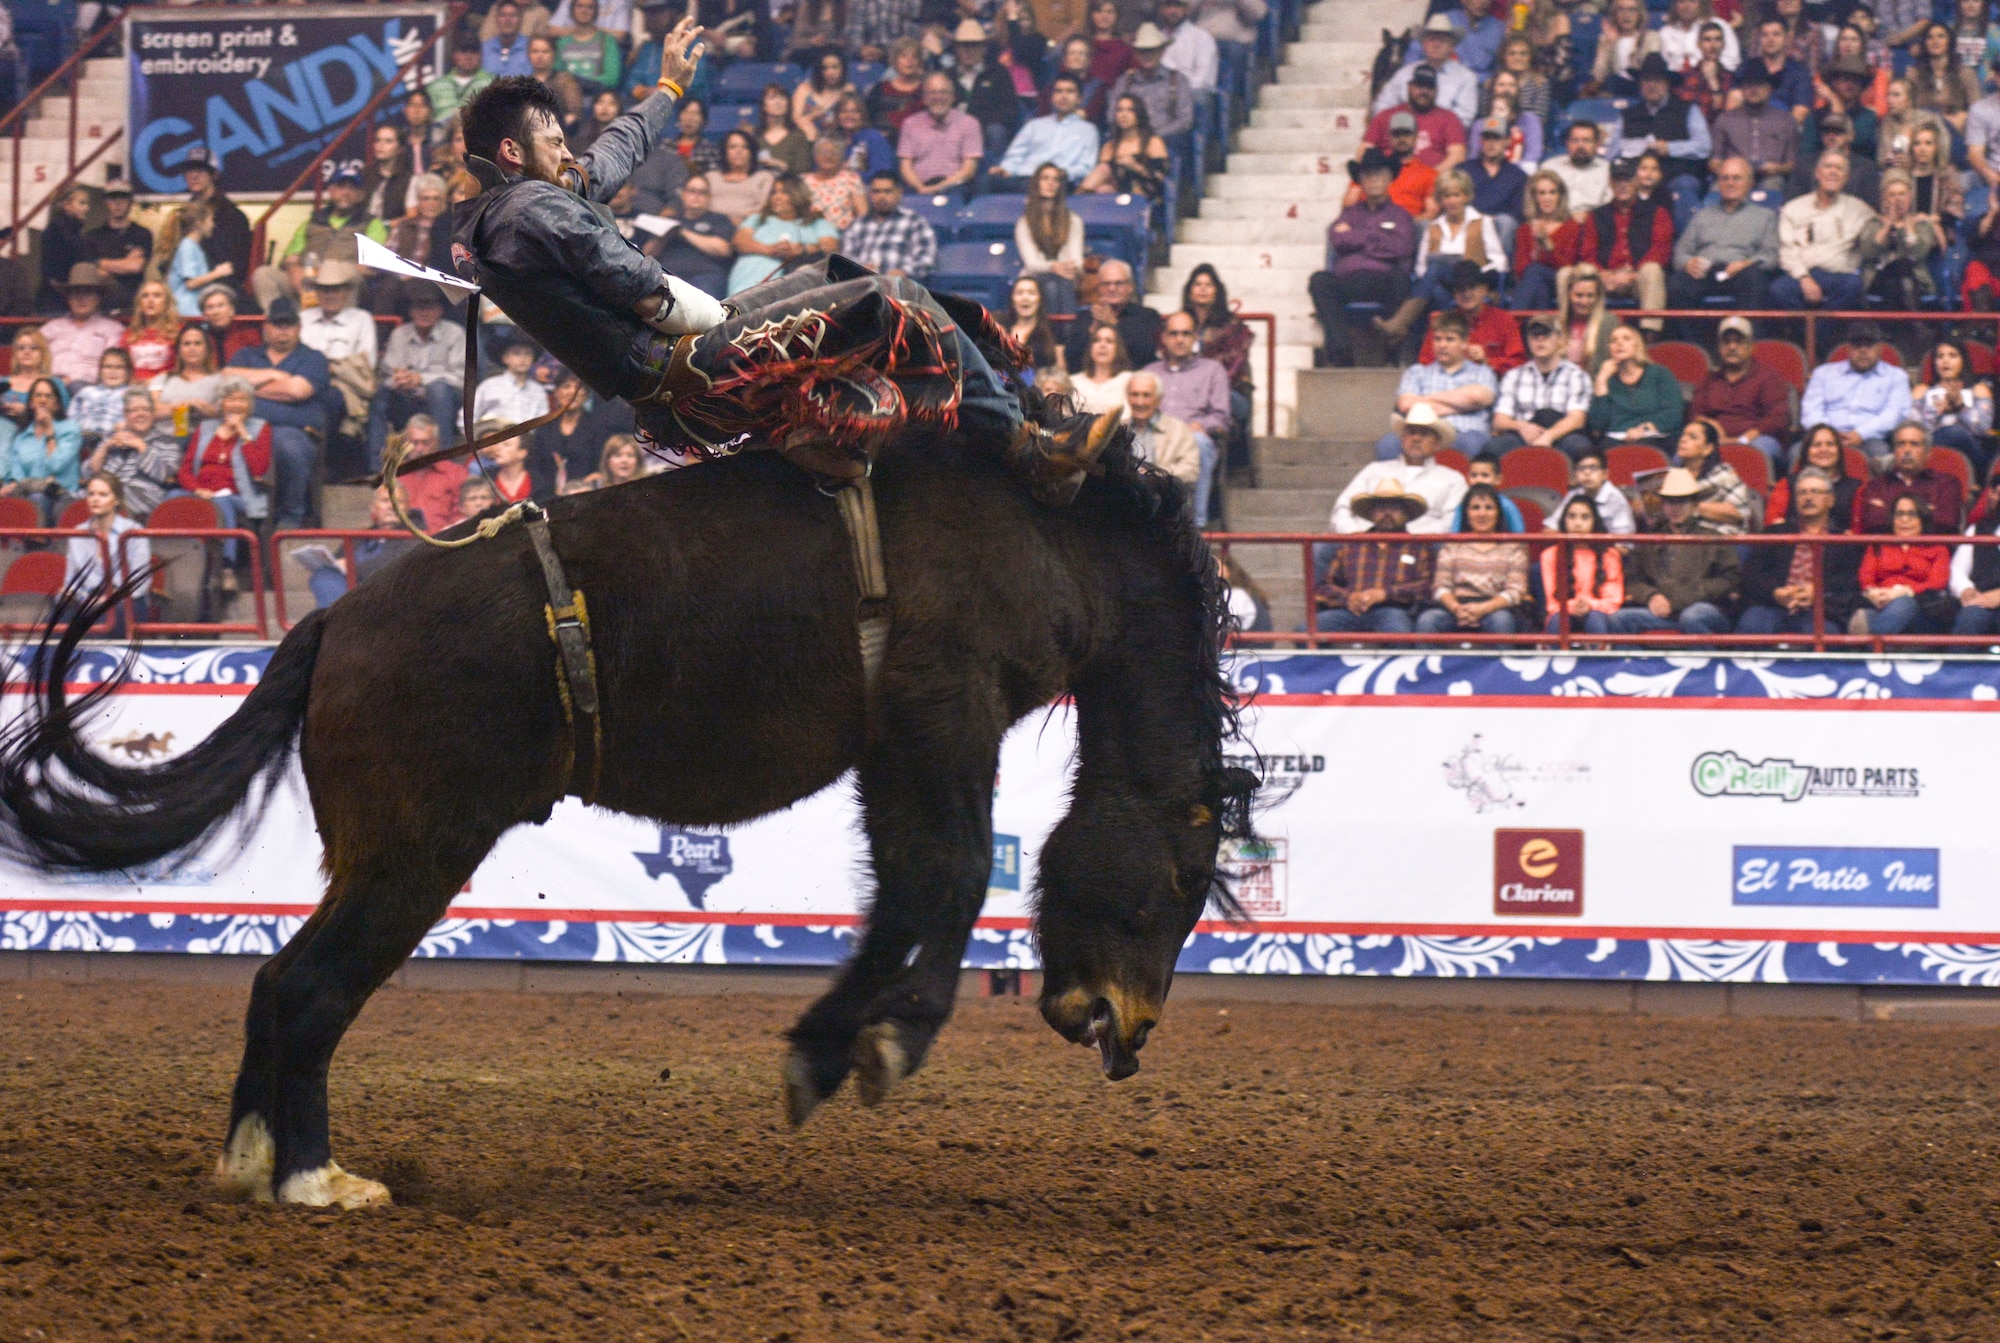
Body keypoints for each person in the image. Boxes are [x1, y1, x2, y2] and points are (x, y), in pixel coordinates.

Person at [224, 299, 329, 534]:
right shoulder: (246, 355)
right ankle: (245, 516)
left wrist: (249, 388)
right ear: (265, 327)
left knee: (286, 445)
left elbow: (297, 390)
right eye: (277, 324)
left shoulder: (313, 358)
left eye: (288, 324)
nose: (283, 329)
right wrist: (273, 375)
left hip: (294, 431)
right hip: (243, 429)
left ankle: (292, 515)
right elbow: (227, 379)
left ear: (299, 327)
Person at [1309, 147, 1418, 366]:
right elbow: (1337, 238)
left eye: (1379, 173)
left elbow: (1402, 247)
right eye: (1368, 174)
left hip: (1383, 279)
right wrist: (1379, 238)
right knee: (1319, 280)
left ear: (1389, 178)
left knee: (1401, 280)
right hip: (1348, 279)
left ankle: (1391, 349)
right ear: (1360, 180)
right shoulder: (1349, 212)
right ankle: (1342, 351)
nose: (1373, 179)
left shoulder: (1400, 215)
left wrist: (1358, 239)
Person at [1738, 466, 1862, 635]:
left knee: (1824, 632)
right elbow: (1752, 573)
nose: (1808, 498)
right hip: (1773, 606)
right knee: (1753, 624)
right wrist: (1775, 592)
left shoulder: (1844, 543)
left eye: (1815, 492)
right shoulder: (1775, 533)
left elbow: (1849, 585)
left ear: (1830, 500)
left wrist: (1818, 592)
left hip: (1820, 611)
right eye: (1802, 493)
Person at [1614, 467, 1738, 634]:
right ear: (1663, 505)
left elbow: (1730, 579)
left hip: (1703, 608)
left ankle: (1705, 659)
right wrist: (1651, 596)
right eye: (1669, 502)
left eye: (1681, 501)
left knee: (1693, 616)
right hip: (1663, 612)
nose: (1675, 508)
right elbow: (1632, 579)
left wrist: (1686, 596)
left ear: (1694, 504)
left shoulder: (1713, 539)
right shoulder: (1649, 541)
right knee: (1619, 619)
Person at [1309, 480, 1438, 635]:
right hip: (1349, 611)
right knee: (1304, 632)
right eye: (1381, 508)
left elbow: (1427, 587)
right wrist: (1349, 598)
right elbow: (1323, 585)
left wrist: (1385, 594)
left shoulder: (1419, 546)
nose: (1388, 513)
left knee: (1398, 633)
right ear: (1372, 513)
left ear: (1406, 514)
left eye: (1395, 508)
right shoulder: (1351, 543)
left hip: (1392, 611)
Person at [174, 377, 269, 580]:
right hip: (202, 492)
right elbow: (185, 469)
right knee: (172, 497)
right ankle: (172, 560)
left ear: (249, 404)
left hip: (238, 496)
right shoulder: (206, 428)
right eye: (230, 399)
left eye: (241, 400)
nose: (235, 404)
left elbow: (259, 469)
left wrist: (244, 434)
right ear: (222, 403)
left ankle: (227, 567)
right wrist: (197, 489)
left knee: (221, 502)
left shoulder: (260, 428)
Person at [366, 284, 465, 471]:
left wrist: (421, 379)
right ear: (411, 311)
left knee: (439, 390)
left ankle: (443, 462)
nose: (424, 312)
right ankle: (377, 466)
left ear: (439, 310)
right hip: (407, 399)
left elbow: (460, 378)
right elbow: (387, 372)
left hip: (446, 401)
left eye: (429, 307)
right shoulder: (400, 334)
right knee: (381, 392)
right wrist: (399, 380)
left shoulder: (455, 334)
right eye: (419, 307)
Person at [1331, 401, 1468, 534]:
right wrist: (1354, 533)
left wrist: (1416, 539)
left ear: (1437, 443)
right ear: (1402, 438)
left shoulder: (1452, 479)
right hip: (1367, 541)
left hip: (1423, 544)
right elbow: (1342, 507)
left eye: (1424, 434)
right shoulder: (1374, 470)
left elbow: (1452, 522)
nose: (1416, 439)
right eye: (1411, 432)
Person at [1376, 311, 1496, 460]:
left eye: (1450, 339)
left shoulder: (1481, 372)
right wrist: (1462, 404)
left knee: (1471, 444)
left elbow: (1477, 397)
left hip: (1466, 432)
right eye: (1438, 339)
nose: (1442, 345)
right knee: (1388, 444)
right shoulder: (1417, 372)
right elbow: (1406, 405)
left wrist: (1424, 400)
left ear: (1464, 342)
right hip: (1423, 431)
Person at [1145, 311, 1229, 520]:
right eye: (1173, 334)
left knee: (1198, 442)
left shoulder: (1212, 370)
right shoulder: (1150, 372)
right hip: (1155, 433)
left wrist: (1199, 425)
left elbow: (1221, 416)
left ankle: (1195, 523)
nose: (1179, 339)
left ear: (1195, 337)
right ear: (1164, 338)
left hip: (1192, 434)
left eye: (1185, 333)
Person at [1668, 158, 1779, 310]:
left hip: (1741, 273)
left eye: (1736, 178)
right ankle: (1692, 335)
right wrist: (1688, 263)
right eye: (1725, 178)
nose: (1730, 183)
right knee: (1677, 283)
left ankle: (1747, 333)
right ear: (1718, 184)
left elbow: (1770, 257)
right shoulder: (1702, 215)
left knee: (1754, 279)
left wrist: (1745, 264)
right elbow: (1680, 253)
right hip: (1704, 273)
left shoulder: (1765, 216)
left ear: (1750, 184)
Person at [1417, 482, 1527, 635]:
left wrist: (1482, 609)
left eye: (1489, 508)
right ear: (1466, 513)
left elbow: (1515, 592)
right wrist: (1457, 608)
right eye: (1475, 508)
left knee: (1502, 622)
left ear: (1498, 513)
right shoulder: (1452, 546)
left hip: (1496, 608)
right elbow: (1441, 586)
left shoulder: (1513, 548)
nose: (1482, 514)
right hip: (1456, 607)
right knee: (1428, 621)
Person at [1569, 159, 1670, 324]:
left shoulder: (1657, 212)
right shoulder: (1596, 215)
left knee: (1652, 270)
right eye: (1617, 180)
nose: (1622, 185)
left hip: (1638, 278)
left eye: (1627, 180)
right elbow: (1588, 252)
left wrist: (1632, 275)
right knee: (1579, 271)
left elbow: (1661, 251)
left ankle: (1649, 336)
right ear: (1610, 182)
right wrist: (1603, 274)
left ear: (1637, 180)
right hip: (1604, 279)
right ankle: (1573, 334)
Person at [1801, 323, 1913, 472]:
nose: (1863, 350)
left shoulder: (1896, 376)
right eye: (1857, 345)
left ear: (1880, 348)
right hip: (1824, 436)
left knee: (1881, 453)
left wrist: (1860, 433)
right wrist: (1829, 436)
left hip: (1871, 439)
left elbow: (1893, 415)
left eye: (1869, 345)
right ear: (1848, 348)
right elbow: (1810, 411)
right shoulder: (1823, 374)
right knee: (1796, 452)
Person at [1772, 151, 1874, 311]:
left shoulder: (1860, 210)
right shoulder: (1793, 208)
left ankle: (1812, 332)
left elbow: (1878, 230)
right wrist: (1804, 277)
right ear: (1817, 173)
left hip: (1840, 276)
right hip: (1802, 274)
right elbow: (1787, 251)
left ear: (1846, 178)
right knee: (1778, 290)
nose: (1833, 172)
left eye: (1839, 168)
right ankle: (1819, 332)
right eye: (1828, 167)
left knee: (1855, 286)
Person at [1685, 317, 1790, 471]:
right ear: (1719, 347)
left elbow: (1777, 419)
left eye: (1739, 342)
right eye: (1726, 342)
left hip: (1757, 438)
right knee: (1684, 451)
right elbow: (1695, 413)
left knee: (1759, 448)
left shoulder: (1768, 377)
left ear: (1751, 347)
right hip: (1715, 439)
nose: (1732, 347)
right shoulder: (1710, 379)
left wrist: (1742, 439)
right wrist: (1711, 425)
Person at [1487, 317, 1592, 459]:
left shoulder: (1576, 375)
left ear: (1560, 339)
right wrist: (1522, 427)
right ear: (1528, 341)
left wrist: (1549, 436)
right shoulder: (1513, 376)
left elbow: (1577, 418)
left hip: (1562, 434)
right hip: (1523, 432)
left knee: (1581, 448)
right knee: (1494, 448)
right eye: (1535, 335)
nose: (1540, 339)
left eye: (1546, 334)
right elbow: (1499, 420)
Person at [1409, 171, 1505, 324]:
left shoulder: (1482, 222)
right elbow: (1421, 268)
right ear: (1440, 199)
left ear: (1466, 196)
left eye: (1456, 195)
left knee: (1436, 266)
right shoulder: (1433, 227)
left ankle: (1402, 323)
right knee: (1435, 281)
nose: (1451, 201)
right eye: (1447, 196)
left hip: (1471, 283)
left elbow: (1499, 262)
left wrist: (1480, 277)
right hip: (1444, 286)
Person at [1617, 53, 1712, 201]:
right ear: (1640, 84)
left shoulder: (1688, 109)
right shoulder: (1627, 114)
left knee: (1686, 184)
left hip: (1675, 178)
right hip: (1635, 180)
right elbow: (1612, 152)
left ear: (1667, 84)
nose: (1651, 85)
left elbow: (1704, 147)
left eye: (1657, 80)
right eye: (1647, 80)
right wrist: (1636, 146)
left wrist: (1670, 148)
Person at [726, 174, 840, 296]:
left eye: (783, 192)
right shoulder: (757, 219)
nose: (776, 197)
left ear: (798, 194)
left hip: (794, 283)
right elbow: (739, 241)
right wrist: (771, 250)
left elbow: (830, 247)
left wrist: (801, 250)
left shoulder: (816, 223)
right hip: (748, 278)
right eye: (773, 193)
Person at [1859, 493, 1955, 634]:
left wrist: (1903, 592)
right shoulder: (1878, 545)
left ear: (1922, 518)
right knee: (1868, 613)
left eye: (1912, 514)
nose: (1905, 520)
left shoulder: (1938, 548)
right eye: (1899, 514)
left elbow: (1937, 582)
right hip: (1880, 601)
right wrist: (1875, 593)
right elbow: (1866, 577)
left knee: (1903, 603)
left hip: (1921, 605)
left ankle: (1873, 645)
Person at [1182, 264, 1253, 442]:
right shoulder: (1180, 325)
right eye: (1198, 284)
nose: (1203, 289)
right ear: (1190, 291)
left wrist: (1203, 387)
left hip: (1227, 393)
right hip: (1185, 391)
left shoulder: (1232, 327)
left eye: (1209, 285)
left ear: (1217, 292)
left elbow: (1235, 371)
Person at [86, 388, 181, 522]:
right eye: (134, 410)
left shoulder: (166, 441)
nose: (140, 414)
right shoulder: (112, 438)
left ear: (153, 413)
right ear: (125, 414)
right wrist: (105, 447)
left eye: (146, 409)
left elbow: (165, 475)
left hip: (142, 496)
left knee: (108, 503)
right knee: (68, 504)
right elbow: (90, 473)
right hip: (105, 493)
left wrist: (141, 446)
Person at [1587, 323, 1682, 453]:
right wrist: (1601, 381)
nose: (1619, 343)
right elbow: (1597, 425)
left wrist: (1645, 429)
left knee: (1645, 448)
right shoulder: (1607, 380)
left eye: (1626, 339)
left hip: (1653, 437)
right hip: (1615, 440)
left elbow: (1673, 412)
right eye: (1613, 341)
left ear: (1638, 345)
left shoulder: (1659, 373)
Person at [64, 472, 148, 615]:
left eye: (103, 495)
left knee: (98, 618)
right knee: (53, 622)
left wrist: (104, 600)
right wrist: (79, 597)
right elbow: (71, 583)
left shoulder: (134, 531)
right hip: (87, 600)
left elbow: (139, 584)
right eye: (91, 494)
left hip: (124, 600)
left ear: (116, 500)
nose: (95, 499)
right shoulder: (77, 534)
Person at [1062, 258, 1161, 379]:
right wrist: (1093, 330)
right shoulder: (1084, 317)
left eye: (1118, 283)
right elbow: (1072, 359)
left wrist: (1113, 325)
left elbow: (1145, 356)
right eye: (1106, 284)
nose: (1112, 289)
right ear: (1099, 288)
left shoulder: (1147, 316)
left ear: (1130, 287)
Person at [1857, 422, 1965, 533]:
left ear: (1928, 453)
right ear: (1894, 452)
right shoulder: (1877, 485)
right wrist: (1926, 510)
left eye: (1914, 444)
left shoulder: (1946, 484)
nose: (1907, 450)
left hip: (1930, 549)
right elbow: (1873, 523)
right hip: (1888, 548)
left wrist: (1888, 510)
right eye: (1901, 444)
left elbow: (1946, 523)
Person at [993, 75, 1100, 187]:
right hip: (1025, 178)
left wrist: (1065, 173)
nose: (1063, 96)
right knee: (990, 180)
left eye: (1070, 91)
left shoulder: (1088, 130)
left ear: (1080, 99)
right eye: (1059, 91)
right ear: (1052, 97)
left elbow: (1086, 166)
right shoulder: (1035, 125)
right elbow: (1015, 155)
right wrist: (1005, 169)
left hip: (1059, 182)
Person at [1375, 14, 1479, 127]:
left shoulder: (1465, 77)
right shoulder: (1405, 73)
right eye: (1432, 39)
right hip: (1403, 134)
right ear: (1423, 44)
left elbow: (1464, 118)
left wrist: (1430, 130)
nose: (1437, 44)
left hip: (1443, 139)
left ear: (1452, 46)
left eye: (1443, 40)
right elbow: (1382, 105)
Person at [1542, 493, 1625, 633]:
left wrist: (1589, 605)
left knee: (1595, 618)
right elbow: (1552, 604)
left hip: (1599, 613)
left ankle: (1598, 655)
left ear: (1594, 522)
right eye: (1572, 516)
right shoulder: (1550, 555)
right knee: (1558, 620)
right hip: (1563, 612)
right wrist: (1573, 606)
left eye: (1585, 517)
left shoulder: (1609, 554)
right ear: (1564, 521)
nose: (1577, 523)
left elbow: (1613, 600)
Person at [1858, 169, 1941, 309]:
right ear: (1884, 198)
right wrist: (1887, 226)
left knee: (1903, 269)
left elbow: (1918, 253)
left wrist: (1908, 225)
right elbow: (1868, 252)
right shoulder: (1873, 223)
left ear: (1910, 197)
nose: (1898, 199)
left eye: (1902, 194)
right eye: (1892, 194)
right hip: (1878, 282)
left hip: (1916, 283)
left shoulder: (1920, 224)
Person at [2, 379, 81, 524]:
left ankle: (36, 541)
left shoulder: (70, 429)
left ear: (57, 404)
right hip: (26, 492)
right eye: (38, 396)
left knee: (36, 499)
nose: (43, 400)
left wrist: (50, 431)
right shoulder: (22, 436)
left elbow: (55, 465)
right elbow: (16, 474)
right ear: (31, 402)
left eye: (48, 396)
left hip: (61, 495)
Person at [1709, 65, 1797, 193]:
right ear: (1742, 90)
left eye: (1759, 85)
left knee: (1772, 187)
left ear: (1769, 88)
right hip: (1733, 177)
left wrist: (1777, 168)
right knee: (1715, 194)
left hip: (1771, 177)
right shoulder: (1725, 119)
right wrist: (1730, 172)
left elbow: (1792, 164)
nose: (1754, 89)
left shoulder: (1786, 120)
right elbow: (1714, 161)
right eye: (1749, 85)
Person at [1364, 65, 1467, 174]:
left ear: (1436, 90)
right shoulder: (1385, 116)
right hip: (1389, 182)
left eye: (1429, 87)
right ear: (1409, 87)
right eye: (1419, 86)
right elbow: (1365, 152)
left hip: (1433, 183)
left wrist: (1427, 179)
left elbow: (1457, 156)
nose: (1424, 91)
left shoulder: (1449, 118)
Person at [897, 72, 984, 200]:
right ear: (925, 98)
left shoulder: (969, 124)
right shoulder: (910, 124)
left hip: (954, 188)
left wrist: (936, 188)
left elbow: (968, 171)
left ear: (952, 97)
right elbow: (905, 166)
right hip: (917, 187)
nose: (938, 97)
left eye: (944, 92)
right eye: (932, 93)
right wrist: (920, 188)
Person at [1913, 338, 1993, 474]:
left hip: (1971, 453)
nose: (1945, 361)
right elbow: (1914, 430)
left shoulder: (1978, 390)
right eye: (1940, 356)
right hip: (1931, 448)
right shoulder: (1922, 390)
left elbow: (1982, 428)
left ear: (1963, 360)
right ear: (1934, 362)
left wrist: (1960, 406)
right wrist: (1937, 412)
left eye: (1952, 355)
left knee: (1955, 432)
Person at [841, 171, 937, 278]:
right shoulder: (857, 225)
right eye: (876, 192)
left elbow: (927, 259)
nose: (881, 196)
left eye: (887, 191)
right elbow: (846, 257)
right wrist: (860, 269)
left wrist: (905, 272)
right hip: (864, 286)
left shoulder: (915, 222)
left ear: (899, 193)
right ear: (870, 194)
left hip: (900, 288)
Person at [1016, 164, 1084, 314]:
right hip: (1034, 276)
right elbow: (1032, 263)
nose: (1050, 183)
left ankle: (1064, 332)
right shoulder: (1024, 222)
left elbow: (1077, 259)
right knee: (1051, 286)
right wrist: (1053, 267)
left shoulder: (1073, 220)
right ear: (1036, 184)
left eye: (1055, 180)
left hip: (1065, 277)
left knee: (1062, 283)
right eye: (1045, 178)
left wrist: (1068, 267)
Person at [1110, 23, 1196, 143]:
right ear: (1135, 53)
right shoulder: (1125, 82)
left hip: (1165, 142)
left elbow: (1185, 120)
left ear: (1162, 51)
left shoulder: (1178, 80)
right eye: (1143, 51)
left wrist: (1154, 136)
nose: (1147, 55)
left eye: (1152, 50)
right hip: (1128, 141)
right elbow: (1111, 116)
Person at [40, 264, 124, 386]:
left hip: (89, 388)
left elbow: (112, 366)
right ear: (68, 298)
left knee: (77, 386)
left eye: (88, 293)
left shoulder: (112, 330)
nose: (81, 299)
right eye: (76, 293)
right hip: (50, 388)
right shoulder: (50, 328)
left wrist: (72, 380)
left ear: (98, 298)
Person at [657, 175, 738, 299]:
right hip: (668, 276)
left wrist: (682, 232)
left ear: (709, 197)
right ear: (683, 194)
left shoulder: (720, 220)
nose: (697, 196)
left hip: (706, 277)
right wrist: (659, 236)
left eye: (702, 192)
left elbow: (723, 249)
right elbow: (647, 254)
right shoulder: (669, 220)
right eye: (692, 191)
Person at [1670, 417, 1756, 534]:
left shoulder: (1724, 475)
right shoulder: (1671, 475)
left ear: (1707, 448)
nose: (1683, 440)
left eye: (1693, 437)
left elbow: (1740, 513)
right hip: (1680, 538)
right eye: (1683, 435)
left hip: (1721, 540)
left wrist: (1691, 508)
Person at [1767, 423, 1862, 527]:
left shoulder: (1856, 488)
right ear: (1806, 452)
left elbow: (1858, 531)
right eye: (1817, 445)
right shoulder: (1787, 484)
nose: (1824, 449)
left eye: (1830, 444)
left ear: (1839, 450)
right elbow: (1773, 524)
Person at [1081, 93, 1171, 199]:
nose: (1124, 115)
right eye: (1120, 110)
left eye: (1130, 110)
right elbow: (1104, 178)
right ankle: (1077, 201)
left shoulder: (1152, 142)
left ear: (1139, 114)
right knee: (1102, 186)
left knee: (1104, 171)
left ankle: (1073, 204)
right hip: (1116, 194)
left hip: (1144, 193)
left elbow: (1161, 178)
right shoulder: (1109, 147)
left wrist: (1135, 166)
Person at [1510, 171, 1578, 310]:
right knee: (1539, 284)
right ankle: (1542, 328)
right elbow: (1520, 271)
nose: (1547, 198)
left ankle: (1513, 322)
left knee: (1536, 271)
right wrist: (1536, 251)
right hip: (1535, 283)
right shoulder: (1525, 229)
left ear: (1560, 196)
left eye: (1552, 192)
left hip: (1564, 284)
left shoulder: (1572, 227)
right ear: (1534, 197)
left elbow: (1568, 266)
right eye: (1541, 193)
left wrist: (1547, 247)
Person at [392, 415, 469, 534]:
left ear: (437, 443)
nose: (419, 448)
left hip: (441, 541)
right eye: (414, 443)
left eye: (426, 443)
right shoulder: (393, 474)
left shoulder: (455, 473)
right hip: (399, 540)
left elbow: (462, 515)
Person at [1121, 370, 1199, 487]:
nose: (1140, 402)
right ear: (1127, 397)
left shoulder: (1178, 429)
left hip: (1164, 496)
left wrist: (1154, 474)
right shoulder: (1119, 428)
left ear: (1159, 399)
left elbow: (1191, 470)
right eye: (1134, 394)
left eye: (1146, 395)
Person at [1949, 463, 2000, 636]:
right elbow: (1957, 569)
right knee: (1970, 617)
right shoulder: (1977, 529)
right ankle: (1956, 664)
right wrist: (1966, 590)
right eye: (1995, 491)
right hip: (1980, 600)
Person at [83, 183, 151, 313]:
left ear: (130, 202)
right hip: (101, 307)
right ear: (106, 202)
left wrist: (101, 263)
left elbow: (136, 267)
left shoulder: (142, 233)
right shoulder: (93, 236)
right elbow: (93, 273)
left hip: (133, 306)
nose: (117, 203)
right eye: (112, 199)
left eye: (122, 198)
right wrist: (125, 263)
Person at [149, 326, 224, 432]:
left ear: (207, 349)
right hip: (163, 440)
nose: (192, 348)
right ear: (179, 350)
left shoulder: (220, 380)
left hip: (201, 440)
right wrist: (185, 407)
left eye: (197, 343)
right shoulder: (163, 379)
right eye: (186, 344)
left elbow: (225, 413)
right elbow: (150, 411)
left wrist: (205, 409)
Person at [165, 202, 233, 319]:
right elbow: (191, 283)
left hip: (193, 309)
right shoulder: (187, 246)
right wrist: (218, 273)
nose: (213, 225)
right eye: (210, 220)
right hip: (186, 311)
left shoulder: (195, 247)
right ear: (199, 223)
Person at [1548, 447, 1637, 534]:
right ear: (1575, 475)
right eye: (1581, 468)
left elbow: (1623, 545)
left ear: (1605, 474)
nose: (1587, 473)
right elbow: (1550, 530)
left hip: (1605, 547)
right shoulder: (1574, 495)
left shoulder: (1616, 500)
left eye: (1593, 468)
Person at [474, 334, 553, 430]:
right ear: (505, 358)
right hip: (495, 439)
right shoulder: (489, 386)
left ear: (533, 359)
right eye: (517, 353)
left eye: (528, 354)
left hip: (526, 441)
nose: (523, 359)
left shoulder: (538, 391)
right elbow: (468, 417)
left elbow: (542, 424)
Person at [1467, 117, 1528, 242]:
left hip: (1499, 229)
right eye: (1487, 138)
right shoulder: (1464, 170)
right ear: (1481, 141)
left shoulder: (1518, 176)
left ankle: (1501, 261)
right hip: (1468, 225)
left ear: (1507, 141)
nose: (1491, 143)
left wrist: (1490, 220)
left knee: (1506, 222)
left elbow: (1518, 213)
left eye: (1496, 138)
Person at [36, 187, 91, 315]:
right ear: (67, 205)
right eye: (81, 203)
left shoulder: (71, 232)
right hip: (56, 301)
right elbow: (54, 273)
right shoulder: (58, 232)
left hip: (61, 299)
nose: (86, 208)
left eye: (87, 204)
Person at [707, 128, 777, 225]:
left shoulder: (764, 178)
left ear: (751, 152)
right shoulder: (711, 177)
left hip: (749, 227)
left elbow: (764, 209)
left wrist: (740, 223)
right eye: (732, 147)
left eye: (745, 147)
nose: (738, 151)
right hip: (712, 227)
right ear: (725, 152)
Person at [1591, 0, 1661, 98]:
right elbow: (1598, 77)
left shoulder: (1651, 38)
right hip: (1614, 93)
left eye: (1632, 10)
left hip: (1641, 92)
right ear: (1614, 14)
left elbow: (1651, 71)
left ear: (1639, 14)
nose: (1626, 15)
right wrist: (1608, 45)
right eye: (1621, 10)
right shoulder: (1605, 39)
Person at [1541, 121, 1610, 217]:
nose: (1580, 146)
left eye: (1586, 141)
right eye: (1575, 140)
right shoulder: (1550, 167)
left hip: (1594, 223)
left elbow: (1610, 208)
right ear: (1567, 143)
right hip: (1556, 221)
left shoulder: (1607, 170)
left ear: (1597, 144)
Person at [71, 347, 135, 448]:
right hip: (84, 441)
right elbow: (72, 418)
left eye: (119, 367)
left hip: (115, 444)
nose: (113, 372)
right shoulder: (86, 392)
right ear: (100, 370)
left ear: (128, 371)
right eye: (108, 367)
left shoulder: (132, 393)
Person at [803, 134, 867, 233]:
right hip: (810, 236)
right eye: (824, 152)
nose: (828, 156)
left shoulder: (851, 178)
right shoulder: (804, 181)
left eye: (835, 152)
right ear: (815, 155)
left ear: (842, 156)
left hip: (842, 236)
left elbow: (863, 214)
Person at [556, 0, 622, 97]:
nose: (584, 10)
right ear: (572, 10)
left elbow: (612, 78)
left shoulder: (607, 40)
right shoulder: (562, 42)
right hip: (567, 96)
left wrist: (580, 81)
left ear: (596, 11)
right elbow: (557, 74)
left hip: (596, 95)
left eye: (590, 7)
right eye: (580, 6)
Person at [430, 33, 498, 124]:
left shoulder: (493, 83)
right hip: (439, 135)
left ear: (481, 55)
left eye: (474, 51)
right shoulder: (436, 86)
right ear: (454, 54)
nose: (468, 56)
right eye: (463, 51)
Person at [120, 280, 180, 383]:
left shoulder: (178, 332)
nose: (150, 300)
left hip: (167, 387)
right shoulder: (129, 334)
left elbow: (182, 368)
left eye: (157, 296)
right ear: (140, 302)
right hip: (134, 387)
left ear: (166, 302)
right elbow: (121, 366)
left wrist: (153, 382)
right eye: (145, 296)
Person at [867, 37, 930, 135]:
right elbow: (867, 119)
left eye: (914, 56)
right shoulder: (879, 89)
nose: (909, 61)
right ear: (895, 60)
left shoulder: (927, 90)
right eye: (904, 56)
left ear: (919, 61)